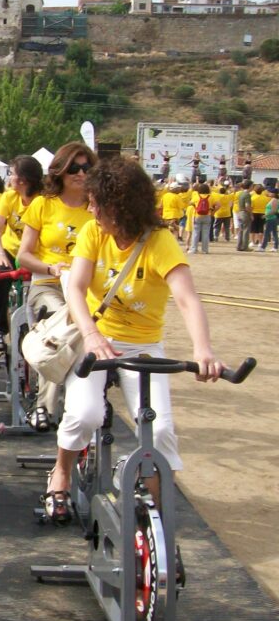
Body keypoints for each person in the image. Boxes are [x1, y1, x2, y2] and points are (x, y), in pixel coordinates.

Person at [41, 157, 224, 523]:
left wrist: (203, 349)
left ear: (118, 207)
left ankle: (160, 521)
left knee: (160, 430)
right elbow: (75, 288)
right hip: (95, 338)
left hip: (142, 345)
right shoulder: (94, 233)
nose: (90, 209)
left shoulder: (160, 242)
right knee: (84, 413)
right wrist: (92, 336)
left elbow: (187, 299)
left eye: (96, 203)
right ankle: (60, 470)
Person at [16, 142, 96, 432]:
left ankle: (87, 399)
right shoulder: (43, 204)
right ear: (60, 171)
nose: (80, 173)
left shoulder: (97, 208)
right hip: (48, 285)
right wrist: (52, 268)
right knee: (64, 322)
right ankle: (44, 406)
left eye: (86, 167)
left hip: (88, 289)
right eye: (74, 167)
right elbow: (23, 254)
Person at [0, 156, 44, 350]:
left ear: (23, 180)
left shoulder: (43, 200)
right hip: (11, 249)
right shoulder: (9, 197)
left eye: (11, 174)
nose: (8, 178)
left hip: (35, 254)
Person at [188, 183, 214, 254]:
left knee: (195, 233)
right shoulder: (210, 197)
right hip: (207, 215)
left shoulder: (197, 196)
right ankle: (205, 250)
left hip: (197, 215)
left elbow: (190, 203)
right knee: (205, 233)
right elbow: (218, 204)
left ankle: (194, 249)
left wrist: (195, 206)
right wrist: (212, 211)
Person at [235, 179, 253, 251]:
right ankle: (245, 246)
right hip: (245, 213)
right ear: (250, 186)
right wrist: (251, 214)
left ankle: (239, 246)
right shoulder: (247, 195)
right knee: (246, 230)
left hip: (239, 212)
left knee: (241, 230)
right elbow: (247, 206)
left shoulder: (241, 193)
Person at [250, 183, 268, 249]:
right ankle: (260, 242)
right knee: (261, 228)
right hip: (263, 213)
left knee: (253, 229)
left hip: (254, 213)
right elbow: (267, 207)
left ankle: (252, 242)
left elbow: (251, 208)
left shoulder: (252, 198)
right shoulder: (266, 198)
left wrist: (251, 215)